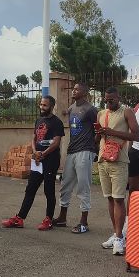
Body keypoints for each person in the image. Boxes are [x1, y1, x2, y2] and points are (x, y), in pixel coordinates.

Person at [2, 95, 65, 231]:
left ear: (52, 106)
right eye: (41, 105)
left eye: (45, 105)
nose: (42, 107)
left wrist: (43, 154)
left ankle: (48, 219)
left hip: (50, 161)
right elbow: (34, 138)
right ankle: (20, 218)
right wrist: (35, 151)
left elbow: (56, 142)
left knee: (49, 190)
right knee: (30, 189)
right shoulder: (39, 120)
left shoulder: (56, 122)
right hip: (37, 161)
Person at [95, 87, 139, 255]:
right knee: (110, 199)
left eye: (112, 100)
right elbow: (98, 138)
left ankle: (121, 239)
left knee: (119, 199)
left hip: (119, 161)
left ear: (118, 98)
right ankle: (116, 234)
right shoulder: (100, 113)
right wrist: (98, 133)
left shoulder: (126, 112)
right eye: (106, 100)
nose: (109, 102)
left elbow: (136, 136)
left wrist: (111, 132)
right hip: (103, 160)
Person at [54, 82, 98, 234]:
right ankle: (62, 217)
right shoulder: (72, 107)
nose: (73, 90)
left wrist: (94, 149)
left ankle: (83, 221)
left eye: (77, 89)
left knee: (83, 186)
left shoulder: (91, 110)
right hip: (72, 150)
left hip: (85, 151)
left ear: (85, 92)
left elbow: (98, 130)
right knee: (65, 184)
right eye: (73, 88)